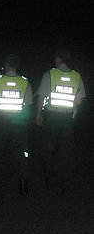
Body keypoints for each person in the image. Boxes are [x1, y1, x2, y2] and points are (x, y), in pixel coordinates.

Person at [35, 48, 86, 196]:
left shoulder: (50, 74)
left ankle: (49, 179)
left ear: (58, 59)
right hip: (67, 119)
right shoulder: (77, 76)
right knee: (66, 151)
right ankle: (63, 181)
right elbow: (79, 100)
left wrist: (38, 114)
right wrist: (73, 115)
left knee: (47, 149)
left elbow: (41, 97)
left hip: (52, 117)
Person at [0, 54, 33, 196]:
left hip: (1, 121)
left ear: (6, 65)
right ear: (17, 66)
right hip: (18, 123)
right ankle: (23, 185)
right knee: (21, 153)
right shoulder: (25, 82)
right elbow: (28, 103)